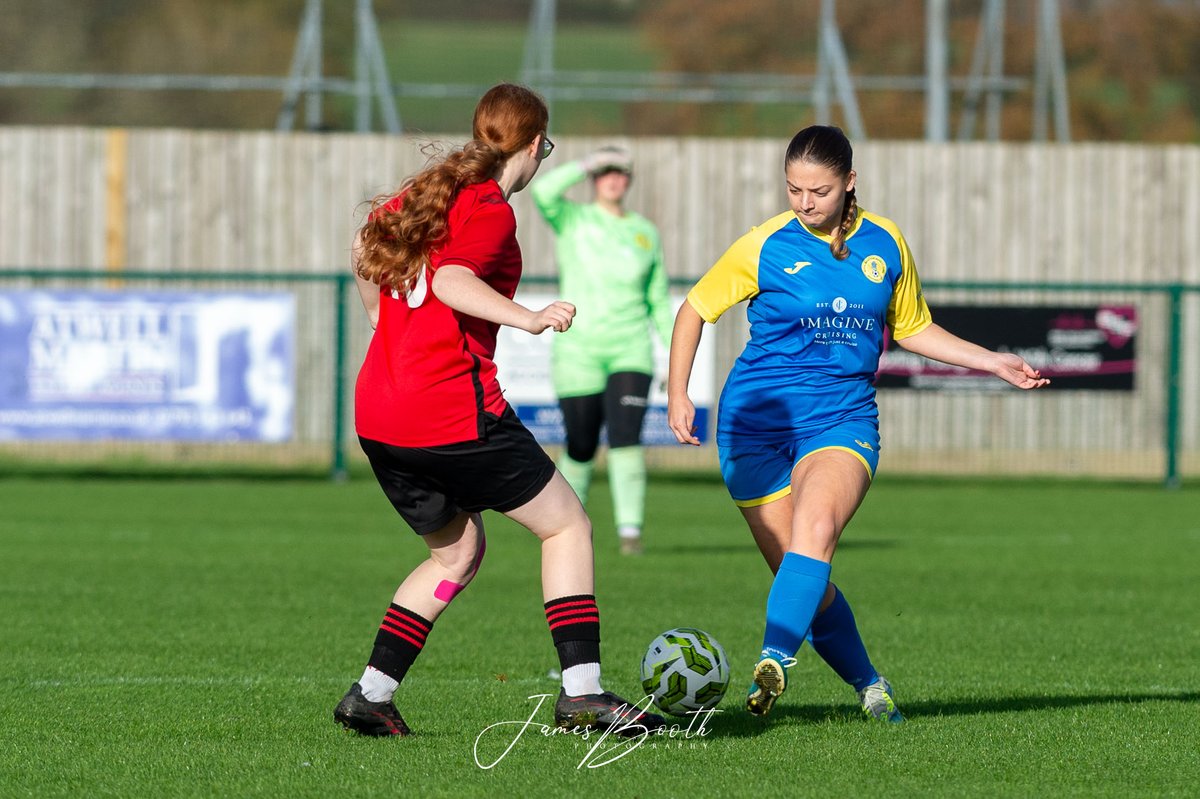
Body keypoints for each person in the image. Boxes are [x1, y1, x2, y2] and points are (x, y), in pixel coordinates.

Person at [667, 125, 1049, 723]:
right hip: (755, 424)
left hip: (841, 419)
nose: (803, 202)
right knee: (806, 579)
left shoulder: (886, 242)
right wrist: (677, 392)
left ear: (849, 184)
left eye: (817, 190)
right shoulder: (764, 244)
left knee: (815, 531)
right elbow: (694, 308)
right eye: (793, 189)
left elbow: (914, 327)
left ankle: (773, 661)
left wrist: (991, 360)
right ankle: (871, 686)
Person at [337, 83, 664, 738]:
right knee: (568, 525)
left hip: (380, 412)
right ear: (536, 144)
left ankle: (371, 694)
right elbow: (456, 280)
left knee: (455, 556)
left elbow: (363, 249)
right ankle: (583, 694)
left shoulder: (427, 192)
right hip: (450, 411)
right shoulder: (487, 208)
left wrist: (386, 332)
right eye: (547, 144)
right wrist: (530, 317)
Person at [530, 146, 672, 556]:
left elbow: (658, 299)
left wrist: (671, 353)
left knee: (627, 439)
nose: (613, 179)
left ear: (629, 180)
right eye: (605, 172)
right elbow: (543, 192)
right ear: (594, 178)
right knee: (580, 445)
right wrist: (585, 162)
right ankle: (563, 526)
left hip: (630, 349)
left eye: (620, 172)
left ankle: (631, 532)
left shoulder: (645, 232)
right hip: (578, 351)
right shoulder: (572, 218)